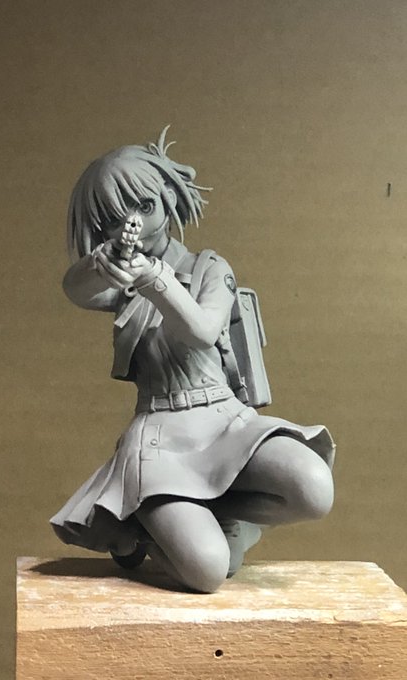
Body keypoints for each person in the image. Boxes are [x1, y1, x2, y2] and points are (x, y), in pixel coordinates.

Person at [50, 127, 335, 593]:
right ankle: (146, 527)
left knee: (312, 487)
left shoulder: (209, 268)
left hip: (224, 420)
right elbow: (75, 289)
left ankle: (225, 516)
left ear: (167, 195)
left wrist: (156, 280)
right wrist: (103, 262)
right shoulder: (122, 280)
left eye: (144, 206)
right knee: (207, 571)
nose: (134, 222)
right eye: (115, 219)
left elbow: (202, 331)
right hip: (160, 438)